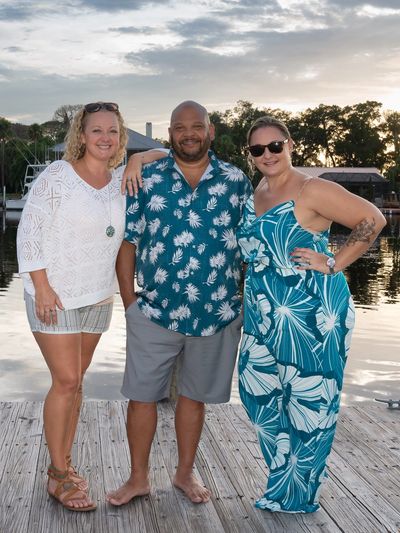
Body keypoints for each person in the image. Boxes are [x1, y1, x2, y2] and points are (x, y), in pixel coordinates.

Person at [236, 116, 386, 513]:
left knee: (309, 403)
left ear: (290, 144)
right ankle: (283, 480)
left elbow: (373, 219)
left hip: (311, 312)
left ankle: (297, 495)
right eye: (257, 149)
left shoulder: (311, 188)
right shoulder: (259, 190)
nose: (267, 154)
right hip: (264, 316)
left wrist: (334, 262)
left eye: (274, 146)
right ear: (250, 156)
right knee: (258, 393)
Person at [106, 100, 252, 506]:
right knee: (142, 395)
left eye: (197, 126)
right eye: (180, 127)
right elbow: (128, 242)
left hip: (218, 312)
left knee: (194, 397)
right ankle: (138, 478)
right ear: (170, 134)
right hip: (154, 310)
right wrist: (130, 303)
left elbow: (249, 246)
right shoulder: (147, 177)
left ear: (211, 131)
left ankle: (184, 474)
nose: (189, 133)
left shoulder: (235, 180)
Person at [17, 102, 128, 511]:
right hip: (55, 295)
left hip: (98, 295)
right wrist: (41, 286)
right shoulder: (57, 177)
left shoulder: (120, 181)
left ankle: (62, 464)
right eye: (96, 130)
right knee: (65, 381)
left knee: (77, 382)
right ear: (81, 135)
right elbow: (28, 233)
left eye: (112, 131)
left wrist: (149, 155)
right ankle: (58, 475)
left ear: (121, 137)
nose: (105, 138)